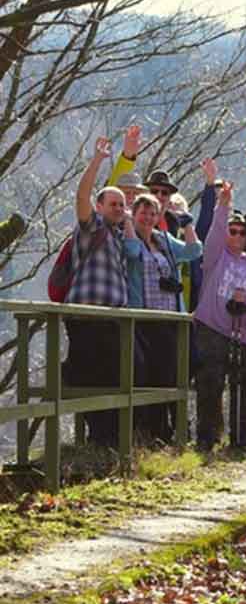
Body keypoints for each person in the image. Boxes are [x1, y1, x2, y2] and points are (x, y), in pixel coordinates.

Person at [193, 182, 246, 451]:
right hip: (213, 328)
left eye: (242, 233)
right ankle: (207, 436)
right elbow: (214, 233)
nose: (237, 236)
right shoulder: (215, 256)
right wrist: (223, 205)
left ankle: (242, 439)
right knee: (211, 382)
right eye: (233, 231)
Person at [64, 138, 130, 447]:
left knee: (111, 380)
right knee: (89, 379)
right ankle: (95, 440)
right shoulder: (92, 228)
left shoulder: (118, 237)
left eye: (121, 204)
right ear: (100, 207)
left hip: (112, 321)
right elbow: (81, 195)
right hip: (87, 316)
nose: (118, 208)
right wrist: (97, 162)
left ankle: (105, 441)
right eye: (112, 204)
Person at [122, 191, 202, 442]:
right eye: (143, 212)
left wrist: (186, 222)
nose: (148, 217)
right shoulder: (128, 236)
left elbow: (194, 250)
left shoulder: (164, 240)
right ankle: (154, 432)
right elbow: (133, 252)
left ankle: (176, 432)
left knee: (172, 374)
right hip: (144, 318)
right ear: (134, 214)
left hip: (170, 318)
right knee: (151, 376)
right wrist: (128, 224)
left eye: (153, 213)